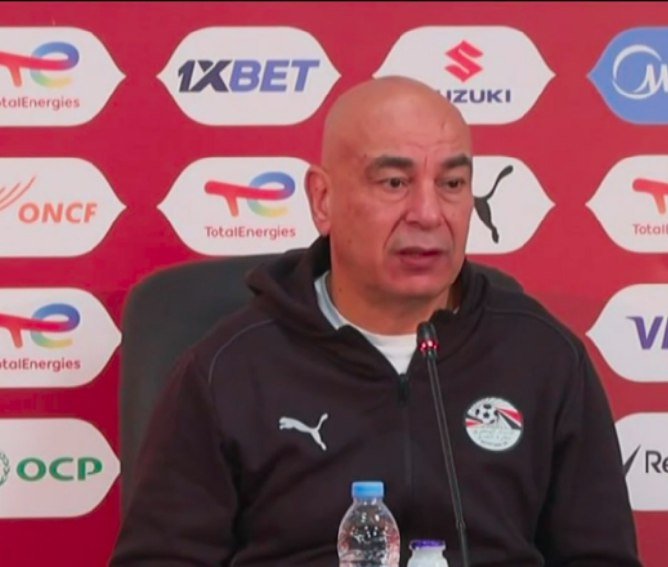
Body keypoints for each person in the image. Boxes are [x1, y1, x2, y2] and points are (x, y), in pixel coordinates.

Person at [111, 76, 641, 566]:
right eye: (394, 182)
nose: (428, 214)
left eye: (452, 183)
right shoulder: (230, 369)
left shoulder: (543, 357)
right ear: (323, 200)